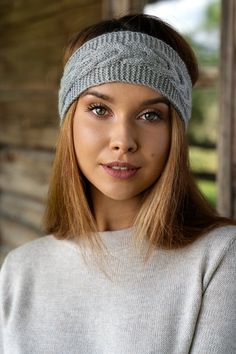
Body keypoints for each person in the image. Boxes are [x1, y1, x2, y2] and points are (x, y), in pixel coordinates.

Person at [0, 13, 236, 354]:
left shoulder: (219, 258)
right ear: (69, 122)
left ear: (175, 135)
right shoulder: (21, 270)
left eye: (150, 115)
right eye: (99, 109)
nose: (123, 140)